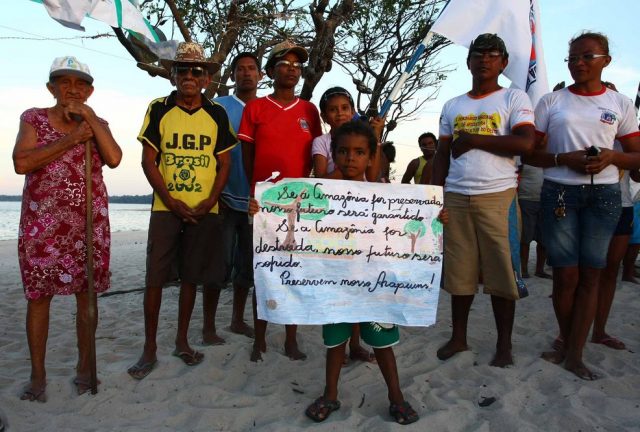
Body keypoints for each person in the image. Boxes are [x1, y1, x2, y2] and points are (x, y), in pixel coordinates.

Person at [283, 120, 423, 424]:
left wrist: (438, 217)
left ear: (371, 157)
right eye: (343, 151)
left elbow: (407, 225)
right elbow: (290, 217)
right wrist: (261, 211)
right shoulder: (318, 195)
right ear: (333, 153)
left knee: (382, 344)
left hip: (374, 286)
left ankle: (396, 397)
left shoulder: (383, 195)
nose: (350, 158)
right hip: (335, 285)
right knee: (335, 343)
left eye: (359, 152)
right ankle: (330, 394)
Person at [524, 32, 640, 380]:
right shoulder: (552, 101)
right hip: (559, 193)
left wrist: (611, 157)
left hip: (604, 196)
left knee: (592, 274)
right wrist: (563, 158)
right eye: (572, 57)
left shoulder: (620, 104)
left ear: (606, 61)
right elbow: (530, 153)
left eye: (587, 56)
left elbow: (636, 154)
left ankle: (575, 353)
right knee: (565, 275)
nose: (578, 63)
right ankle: (566, 341)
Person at [13, 56, 122, 400]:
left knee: (87, 296)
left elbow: (114, 158)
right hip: (42, 228)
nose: (72, 90)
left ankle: (85, 368)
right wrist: (72, 138)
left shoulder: (96, 122)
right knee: (38, 298)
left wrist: (89, 119)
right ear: (52, 88)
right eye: (64, 83)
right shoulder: (33, 118)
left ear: (90, 92)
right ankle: (38, 376)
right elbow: (21, 162)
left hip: (88, 226)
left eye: (80, 84)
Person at [128, 42, 236, 379]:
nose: (189, 75)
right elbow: (148, 161)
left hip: (205, 210)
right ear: (172, 75)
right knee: (155, 278)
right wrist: (170, 200)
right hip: (166, 208)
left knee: (191, 276)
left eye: (196, 71)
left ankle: (182, 341)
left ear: (206, 79)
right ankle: (149, 349)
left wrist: (210, 201)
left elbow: (224, 163)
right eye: (182, 70)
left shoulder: (217, 113)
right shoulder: (158, 108)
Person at [431, 33, 535, 367]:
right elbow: (442, 154)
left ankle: (504, 345)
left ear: (504, 62)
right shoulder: (453, 105)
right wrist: (434, 196)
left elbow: (526, 143)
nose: (484, 59)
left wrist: (475, 139)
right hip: (456, 196)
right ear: (468, 61)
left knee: (502, 273)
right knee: (459, 273)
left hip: (497, 196)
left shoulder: (514, 98)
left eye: (492, 54)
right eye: (478, 54)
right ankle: (458, 337)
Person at [239, 40, 322, 362]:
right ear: (271, 71)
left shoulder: (309, 111)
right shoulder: (255, 108)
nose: (292, 70)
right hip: (264, 205)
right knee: (263, 273)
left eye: (297, 65)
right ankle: (259, 340)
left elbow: (316, 155)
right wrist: (254, 190)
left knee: (293, 272)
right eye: (284, 64)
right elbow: (247, 155)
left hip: (299, 205)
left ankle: (290, 339)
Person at [311, 86, 384, 363]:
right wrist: (348, 163)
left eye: (345, 108)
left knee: (358, 280)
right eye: (333, 109)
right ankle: (338, 346)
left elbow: (373, 176)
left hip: (362, 216)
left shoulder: (366, 138)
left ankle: (355, 344)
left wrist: (375, 139)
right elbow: (321, 179)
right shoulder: (321, 142)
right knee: (337, 281)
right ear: (324, 115)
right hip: (333, 218)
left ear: (352, 111)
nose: (339, 113)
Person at [201, 52, 263, 344]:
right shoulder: (219, 106)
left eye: (251, 69)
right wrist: (212, 194)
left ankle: (237, 320)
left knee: (247, 267)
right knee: (218, 265)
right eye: (240, 69)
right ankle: (208, 326)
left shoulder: (266, 108)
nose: (246, 73)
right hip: (223, 198)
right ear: (233, 74)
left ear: (260, 75)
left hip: (256, 204)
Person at [518, 162, 550, 279]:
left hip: (546, 201)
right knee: (525, 238)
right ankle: (524, 270)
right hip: (526, 200)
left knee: (544, 238)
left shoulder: (549, 157)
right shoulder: (523, 158)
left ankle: (539, 270)